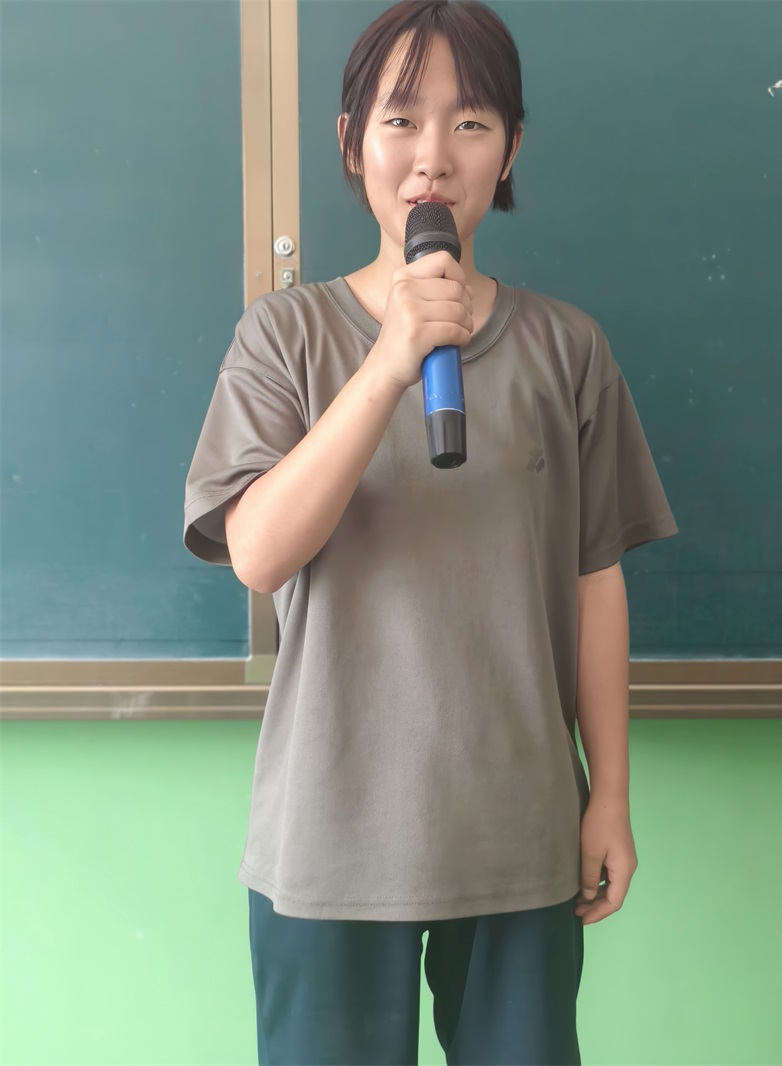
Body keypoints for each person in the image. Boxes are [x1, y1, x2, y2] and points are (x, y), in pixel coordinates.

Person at [183, 1, 678, 1062]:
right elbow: (258, 554)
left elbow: (595, 580)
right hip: (329, 842)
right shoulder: (282, 336)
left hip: (520, 831)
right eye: (400, 119)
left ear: (510, 149)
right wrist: (388, 363)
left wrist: (611, 796)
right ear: (349, 140)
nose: (432, 157)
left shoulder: (567, 350)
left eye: (471, 123)